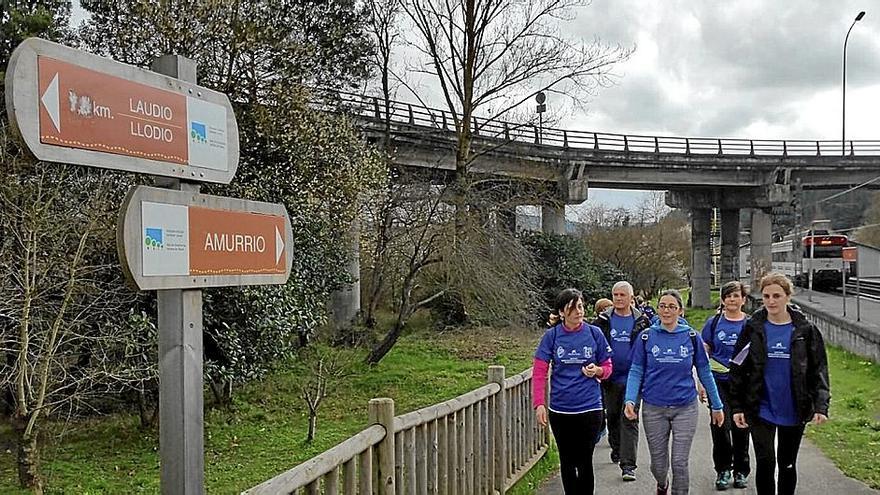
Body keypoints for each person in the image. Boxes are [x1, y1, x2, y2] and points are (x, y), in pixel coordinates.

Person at [729, 272, 830, 495]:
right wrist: (737, 406)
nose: (771, 301)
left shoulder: (805, 330)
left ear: (787, 297)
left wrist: (821, 406)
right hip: (760, 406)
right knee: (765, 462)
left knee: (787, 464)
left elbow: (818, 369)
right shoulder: (752, 328)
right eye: (766, 296)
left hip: (794, 406)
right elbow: (738, 367)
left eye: (777, 295)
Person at [625, 289, 724, 495]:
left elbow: (705, 371)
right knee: (658, 466)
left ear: (680, 311)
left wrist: (717, 405)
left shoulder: (691, 337)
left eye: (672, 306)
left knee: (679, 463)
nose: (666, 310)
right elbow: (636, 371)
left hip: (685, 407)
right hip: (654, 407)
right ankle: (662, 484)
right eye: (662, 306)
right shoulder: (646, 337)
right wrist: (630, 400)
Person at [532, 288, 613, 494]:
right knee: (567, 461)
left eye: (581, 306)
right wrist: (539, 404)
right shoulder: (552, 337)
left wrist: (598, 371)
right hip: (561, 410)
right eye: (573, 308)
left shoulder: (594, 333)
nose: (579, 311)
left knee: (584, 460)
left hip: (589, 408)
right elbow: (540, 372)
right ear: (561, 312)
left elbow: (608, 367)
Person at [594, 281, 651, 482]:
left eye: (622, 295)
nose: (618, 298)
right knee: (613, 415)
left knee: (630, 418)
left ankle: (628, 465)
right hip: (609, 377)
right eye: (615, 295)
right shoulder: (603, 321)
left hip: (633, 378)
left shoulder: (642, 321)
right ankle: (616, 447)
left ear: (631, 297)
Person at [698, 281, 752, 490]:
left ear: (743, 300)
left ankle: (741, 470)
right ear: (722, 300)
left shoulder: (750, 324)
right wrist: (702, 382)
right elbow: (704, 353)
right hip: (717, 382)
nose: (732, 299)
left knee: (741, 427)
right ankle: (723, 469)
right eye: (728, 296)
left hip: (742, 384)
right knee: (719, 426)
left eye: (736, 296)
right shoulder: (713, 323)